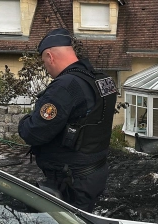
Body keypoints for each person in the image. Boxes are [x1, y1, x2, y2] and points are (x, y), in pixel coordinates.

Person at [18, 28, 117, 212]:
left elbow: (34, 132)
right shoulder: (102, 80)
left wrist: (24, 121)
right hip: (95, 171)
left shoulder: (65, 86)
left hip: (71, 181)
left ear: (50, 56)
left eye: (44, 62)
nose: (46, 68)